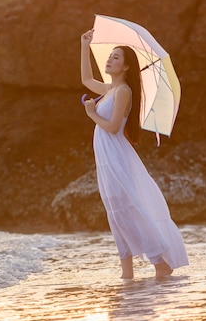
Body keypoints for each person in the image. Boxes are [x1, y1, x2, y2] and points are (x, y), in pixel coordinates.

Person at [80, 28, 189, 279]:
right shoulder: (109, 89)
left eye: (116, 57)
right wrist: (84, 45)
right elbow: (86, 79)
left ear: (126, 67)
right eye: (110, 56)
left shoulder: (123, 92)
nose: (109, 60)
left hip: (116, 156)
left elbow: (113, 127)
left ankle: (160, 263)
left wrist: (92, 114)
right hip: (106, 158)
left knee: (127, 208)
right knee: (115, 211)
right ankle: (126, 272)